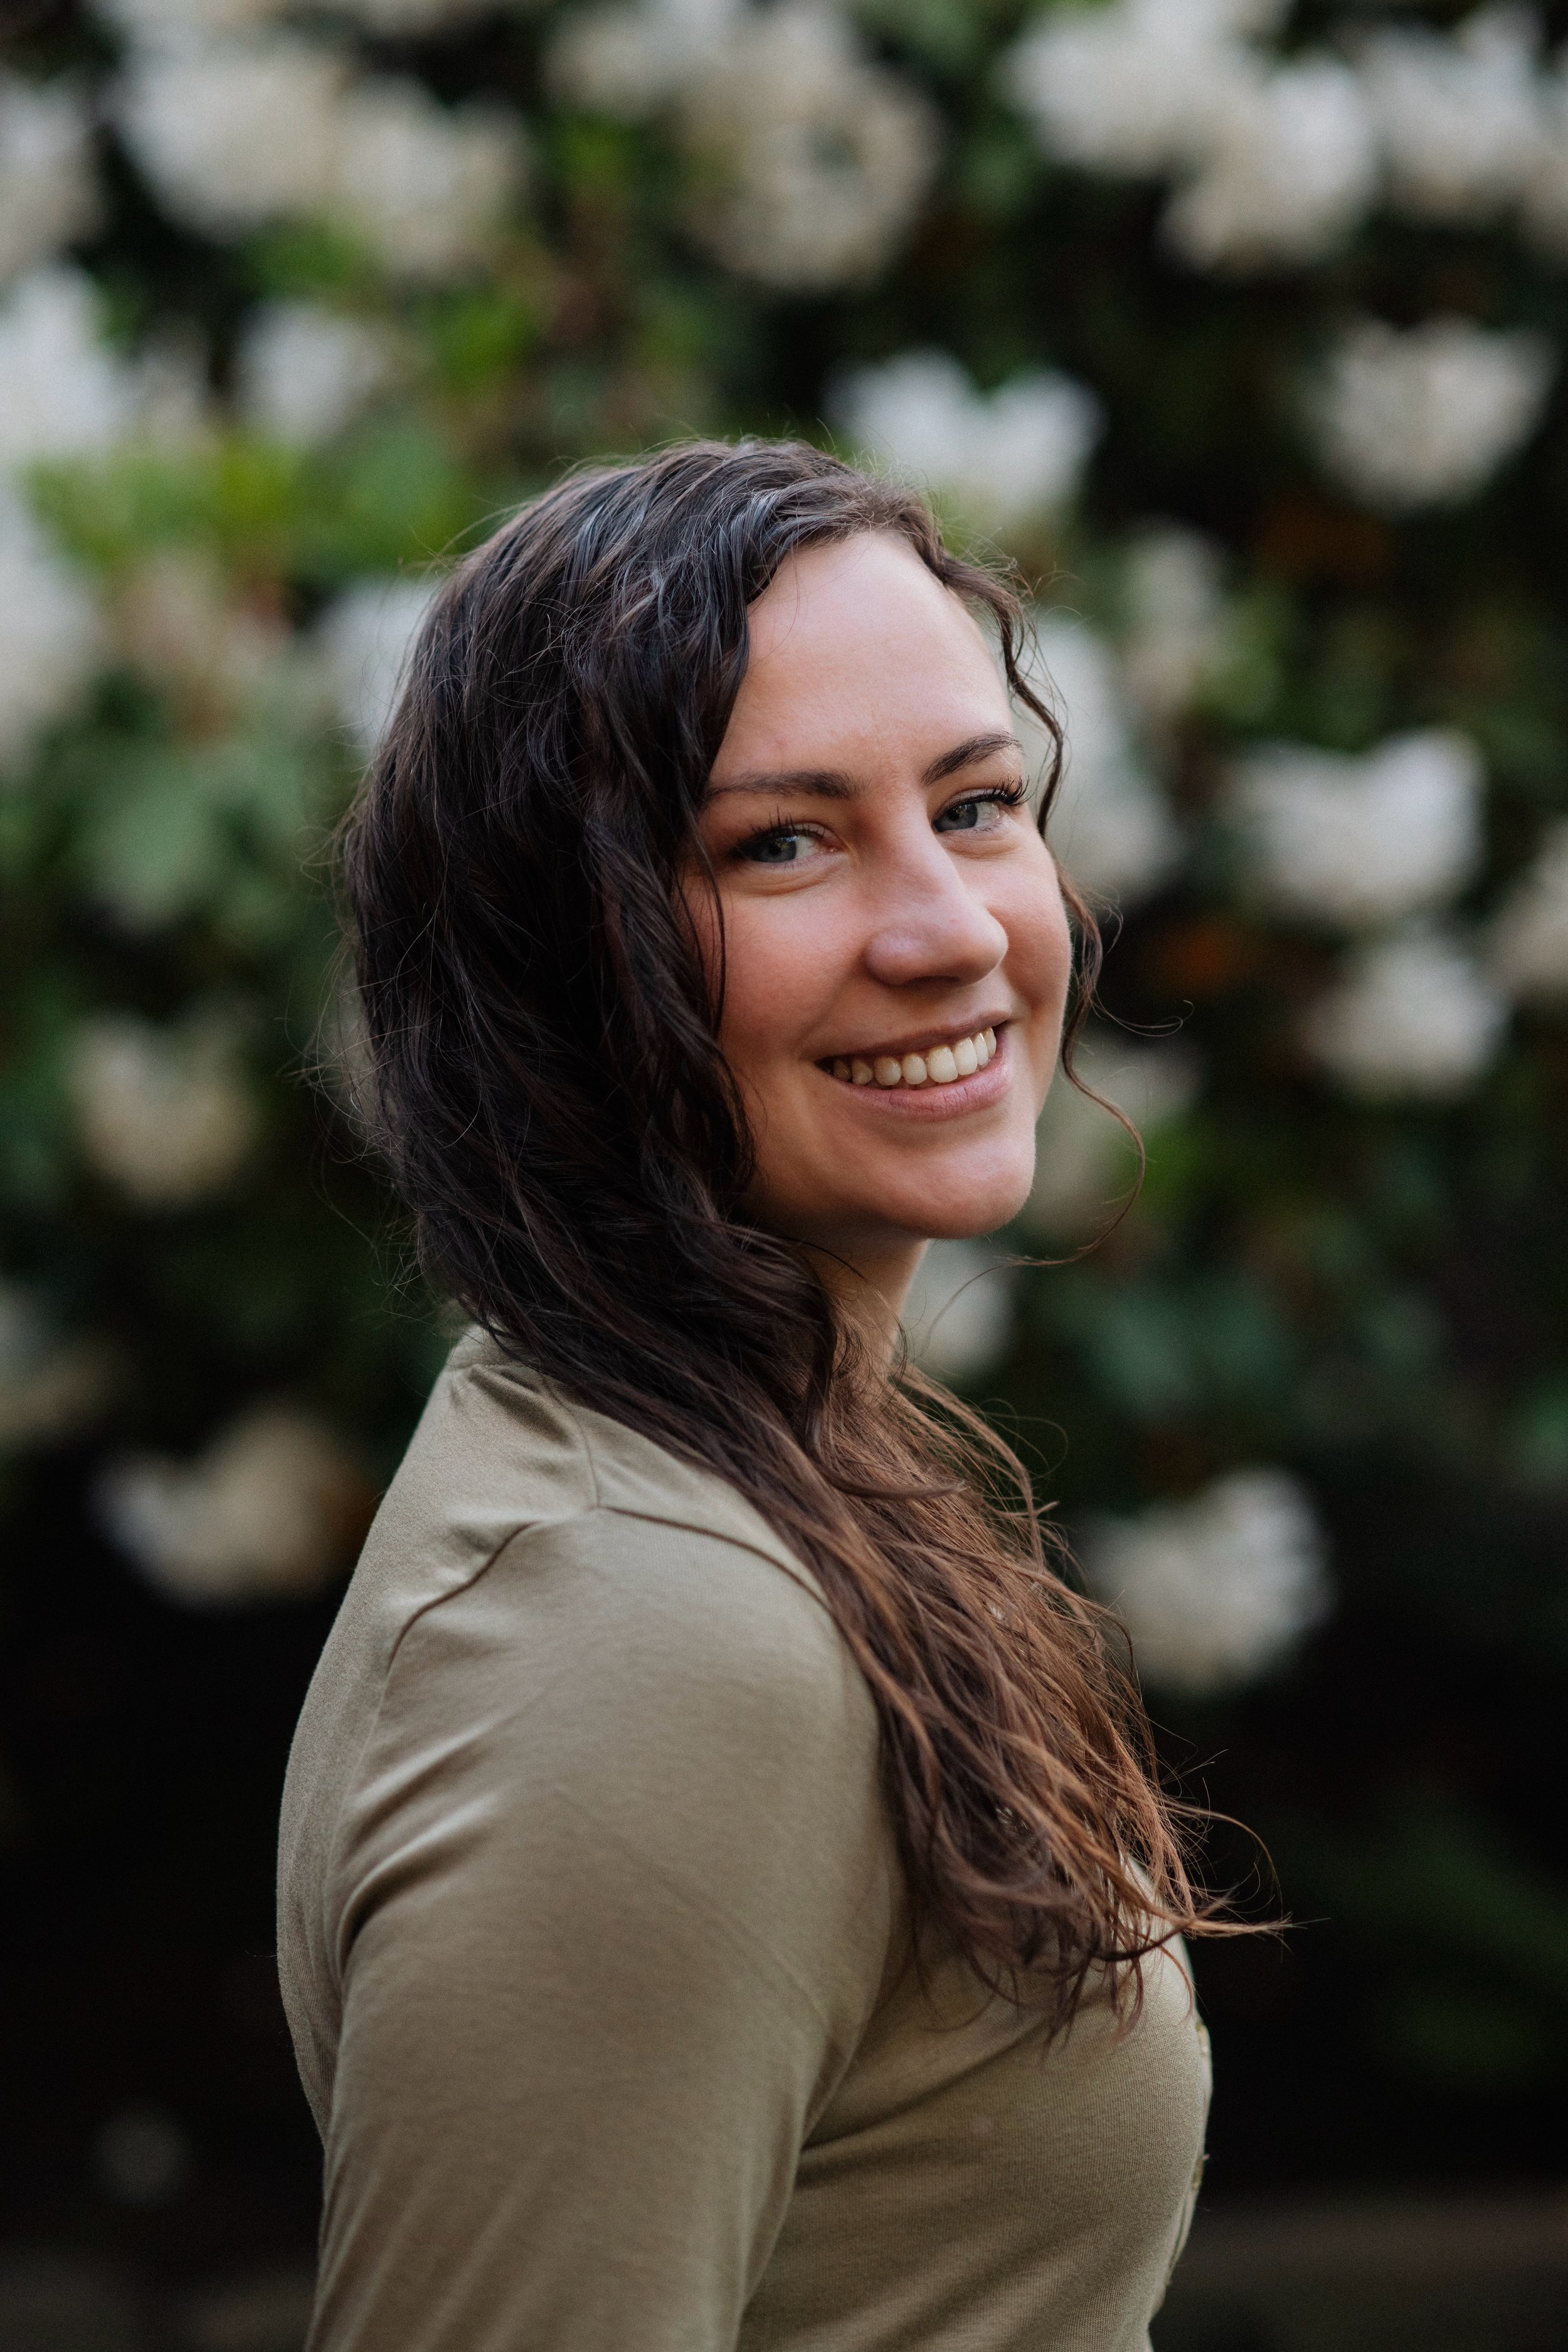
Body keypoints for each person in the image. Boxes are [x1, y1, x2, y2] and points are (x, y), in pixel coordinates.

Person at [278, 440, 1222, 2351]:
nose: (947, 927)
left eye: (975, 805)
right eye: (778, 841)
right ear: (559, 953)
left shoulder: (734, 1475)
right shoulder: (639, 1636)